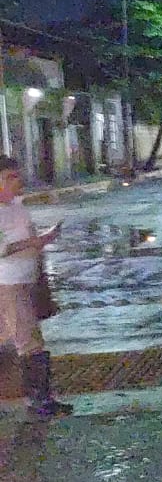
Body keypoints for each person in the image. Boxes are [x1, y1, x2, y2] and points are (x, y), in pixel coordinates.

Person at [0, 156, 72, 416]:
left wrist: (43, 240)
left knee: (13, 338)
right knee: (29, 342)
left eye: (17, 176)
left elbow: (28, 239)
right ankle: (39, 400)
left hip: (26, 279)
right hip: (9, 283)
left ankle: (35, 398)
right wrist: (33, 243)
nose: (16, 181)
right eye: (9, 177)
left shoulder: (16, 207)